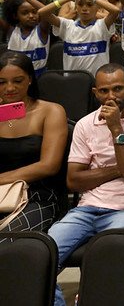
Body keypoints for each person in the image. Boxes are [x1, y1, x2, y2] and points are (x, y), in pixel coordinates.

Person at [48, 64, 124, 306]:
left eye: (117, 89)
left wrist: (116, 128)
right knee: (42, 254)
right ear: (95, 92)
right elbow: (73, 180)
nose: (111, 96)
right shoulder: (85, 124)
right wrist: (122, 168)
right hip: (87, 208)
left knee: (108, 257)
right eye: (104, 91)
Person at [0, 53, 67, 232]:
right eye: (2, 82)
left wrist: (2, 179)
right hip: (1, 194)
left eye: (17, 81)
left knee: (6, 240)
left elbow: (49, 166)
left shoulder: (50, 111)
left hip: (38, 196)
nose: (9, 88)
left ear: (30, 79)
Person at [38, 0, 120, 76]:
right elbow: (42, 12)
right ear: (76, 7)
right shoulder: (67, 25)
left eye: (89, 5)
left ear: (97, 7)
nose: (84, 8)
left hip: (98, 81)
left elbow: (116, 11)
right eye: (80, 5)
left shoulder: (102, 25)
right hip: (72, 82)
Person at [4, 0, 50, 76]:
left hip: (39, 79)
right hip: (16, 78)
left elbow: (47, 10)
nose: (31, 16)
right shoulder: (11, 29)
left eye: (34, 12)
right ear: (15, 16)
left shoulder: (42, 29)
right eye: (25, 13)